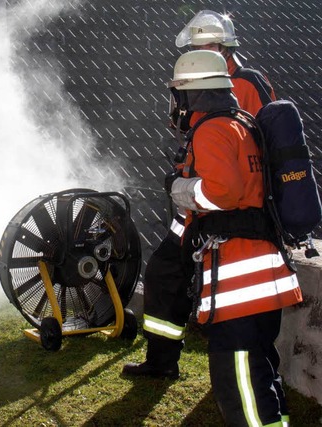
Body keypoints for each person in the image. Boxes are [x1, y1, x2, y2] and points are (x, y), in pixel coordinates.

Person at [146, 49, 300, 425]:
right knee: (261, 376)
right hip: (264, 283)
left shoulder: (212, 129)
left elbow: (223, 193)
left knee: (241, 388)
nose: (176, 103)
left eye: (179, 93)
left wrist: (179, 187)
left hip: (240, 288)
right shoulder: (241, 123)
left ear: (193, 94)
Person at [123, 10, 277, 381]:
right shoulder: (204, 80)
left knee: (212, 293)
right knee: (162, 274)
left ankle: (234, 371)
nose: (197, 53)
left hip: (224, 211)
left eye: (202, 46)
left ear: (221, 46)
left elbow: (255, 151)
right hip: (196, 207)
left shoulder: (247, 84)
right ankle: (163, 359)